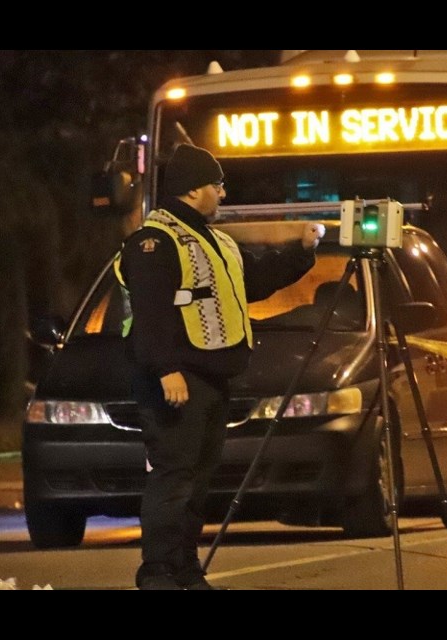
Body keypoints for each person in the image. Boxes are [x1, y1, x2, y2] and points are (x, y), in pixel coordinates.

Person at [114, 144, 324, 590]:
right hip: (176, 380)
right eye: (217, 183)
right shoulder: (155, 242)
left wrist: (302, 253)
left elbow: (254, 281)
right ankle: (157, 572)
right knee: (173, 476)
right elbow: (151, 312)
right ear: (193, 190)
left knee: (197, 479)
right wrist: (166, 369)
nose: (223, 194)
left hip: (209, 379)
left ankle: (186, 570)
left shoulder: (215, 242)